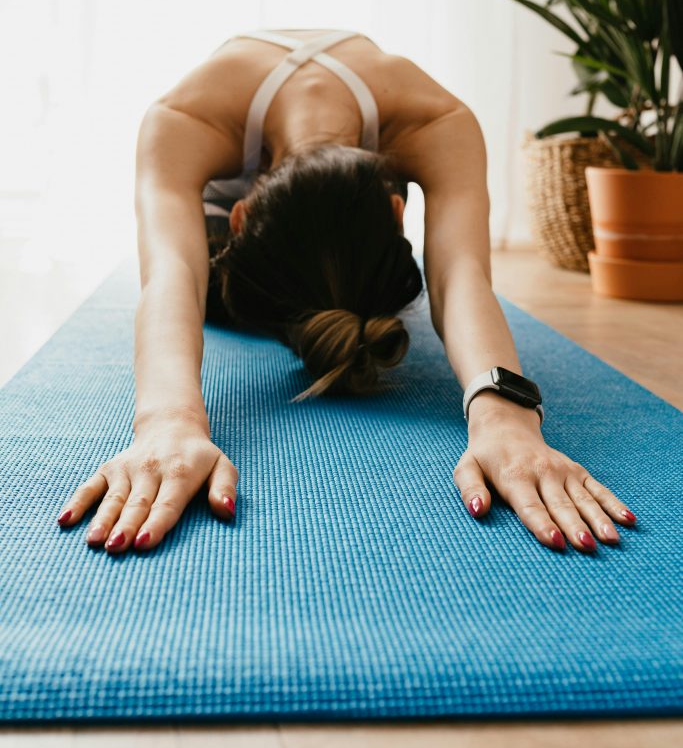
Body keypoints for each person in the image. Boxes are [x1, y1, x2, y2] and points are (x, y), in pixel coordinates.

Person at [56, 28, 637, 555]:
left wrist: (506, 416)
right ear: (240, 219)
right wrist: (167, 420)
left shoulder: (437, 119)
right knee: (207, 291)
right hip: (222, 226)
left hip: (280, 219)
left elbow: (459, 275)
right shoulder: (185, 116)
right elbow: (172, 275)